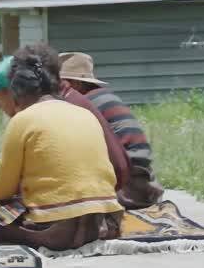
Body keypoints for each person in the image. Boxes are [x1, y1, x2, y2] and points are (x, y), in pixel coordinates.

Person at [0, 48, 122, 251]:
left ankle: (28, 241)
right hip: (101, 225)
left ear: (16, 93)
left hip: (56, 232)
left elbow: (1, 190)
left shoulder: (22, 120)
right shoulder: (85, 115)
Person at [0, 44, 127, 194]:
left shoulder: (39, 114)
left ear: (13, 89)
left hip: (70, 210)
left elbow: (4, 188)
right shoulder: (79, 109)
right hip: (101, 208)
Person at [59, 51, 164, 208]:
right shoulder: (104, 97)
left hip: (127, 189)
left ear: (76, 84)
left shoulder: (84, 104)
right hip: (147, 185)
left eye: (61, 84)